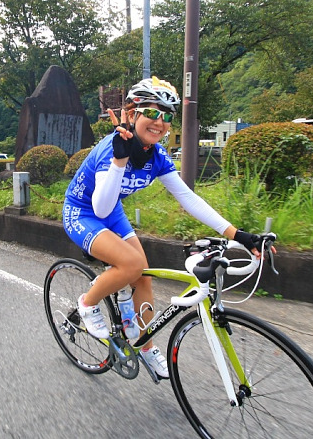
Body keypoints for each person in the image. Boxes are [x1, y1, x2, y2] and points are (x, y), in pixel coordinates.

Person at [63, 76, 271, 379]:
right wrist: (120, 161)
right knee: (132, 264)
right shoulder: (113, 148)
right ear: (133, 114)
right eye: (153, 113)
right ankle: (88, 302)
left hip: (112, 213)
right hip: (82, 212)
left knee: (143, 276)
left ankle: (144, 347)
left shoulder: (157, 156)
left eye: (167, 115)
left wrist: (237, 234)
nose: (159, 122)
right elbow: (100, 208)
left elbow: (188, 198)